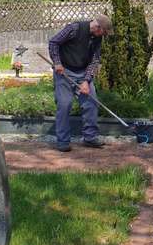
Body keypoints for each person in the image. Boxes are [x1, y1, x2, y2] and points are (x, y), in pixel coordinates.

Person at [48, 14, 113, 152]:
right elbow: (53, 42)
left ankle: (90, 137)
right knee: (65, 104)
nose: (104, 35)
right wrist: (57, 63)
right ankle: (63, 141)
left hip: (82, 72)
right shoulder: (74, 28)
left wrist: (86, 81)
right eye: (104, 32)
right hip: (64, 72)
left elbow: (94, 60)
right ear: (98, 27)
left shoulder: (97, 38)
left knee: (92, 101)